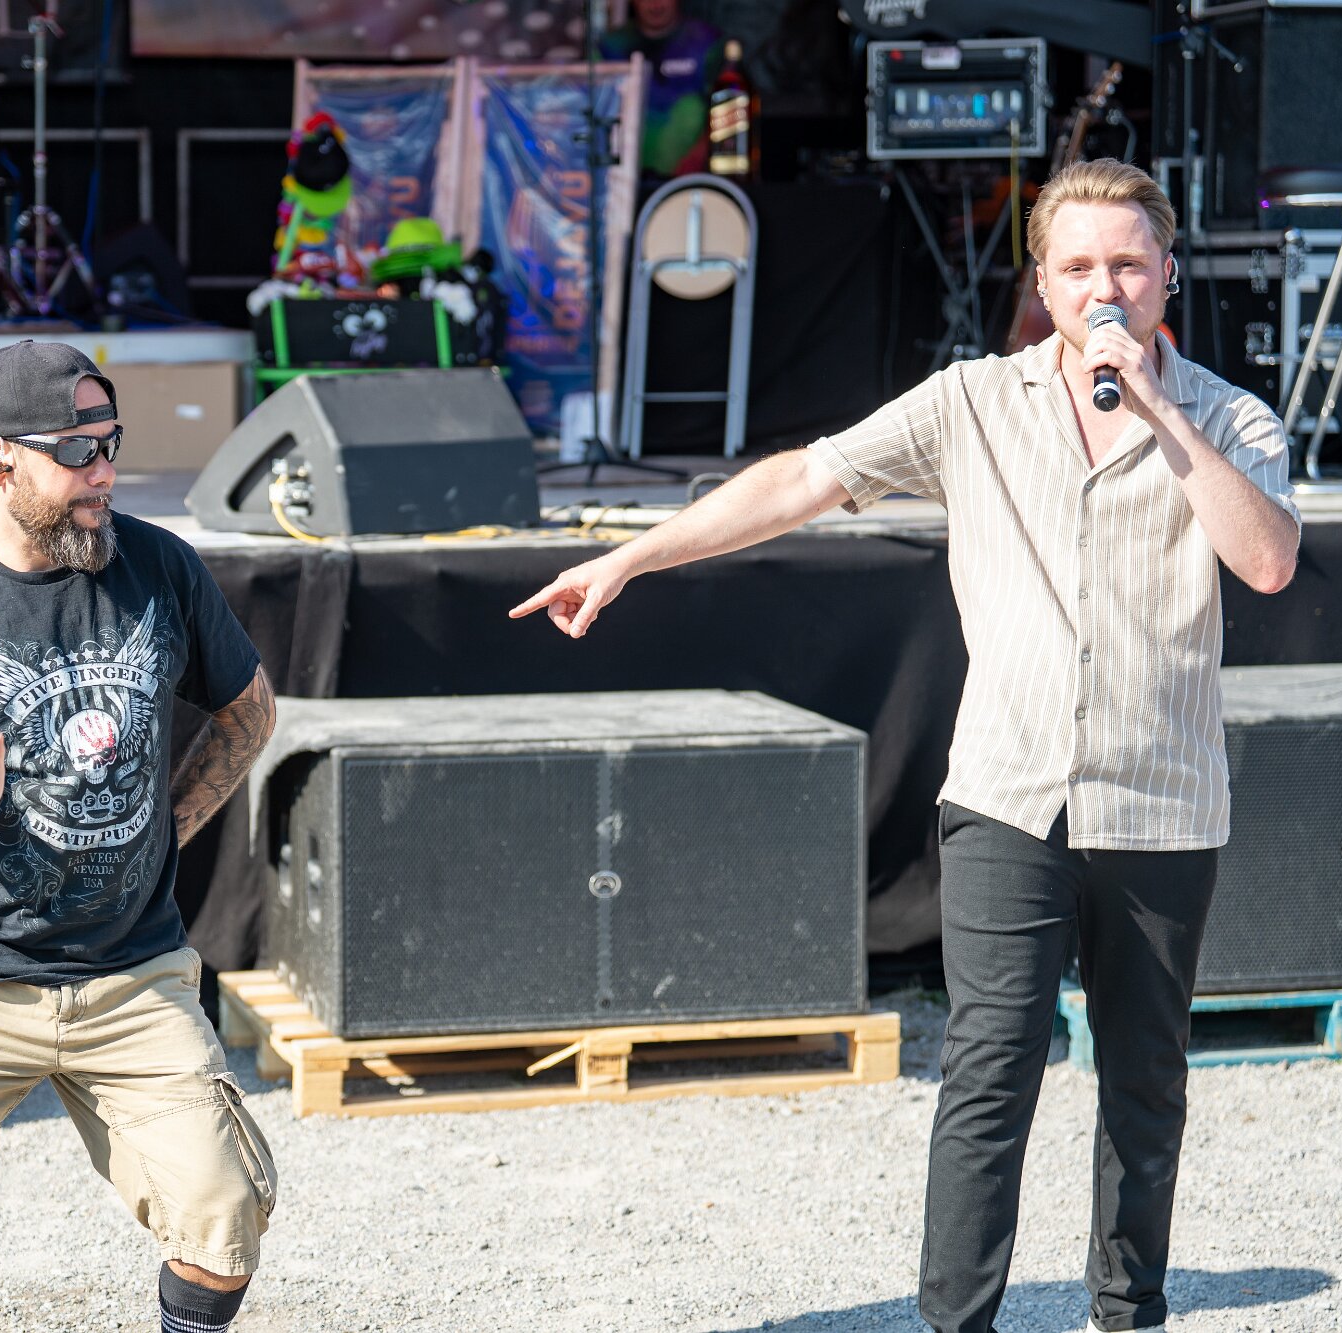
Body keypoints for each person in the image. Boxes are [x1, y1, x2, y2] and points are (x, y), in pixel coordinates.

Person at [511, 159, 1299, 1333]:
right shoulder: (970, 402)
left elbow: (1267, 561)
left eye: (1127, 265)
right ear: (1041, 281)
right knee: (988, 1071)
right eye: (1077, 267)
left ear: (1166, 274)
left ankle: (1125, 1311)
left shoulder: (1229, 419)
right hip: (1007, 792)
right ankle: (954, 1323)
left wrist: (1160, 414)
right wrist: (631, 556)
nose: (1103, 290)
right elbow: (802, 478)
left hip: (1162, 799)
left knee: (1144, 1079)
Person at [0, 340, 279, 1333]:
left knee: (225, 1210)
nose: (105, 471)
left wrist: (166, 827)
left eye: (111, 443)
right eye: (77, 451)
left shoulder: (159, 565)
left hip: (130, 970)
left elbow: (248, 713)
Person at [600, 0, 722, 182]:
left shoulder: (708, 42)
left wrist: (702, 155)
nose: (655, 4)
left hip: (690, 182)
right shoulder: (609, 47)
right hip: (622, 182)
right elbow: (594, 114)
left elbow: (726, 110)